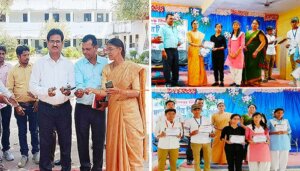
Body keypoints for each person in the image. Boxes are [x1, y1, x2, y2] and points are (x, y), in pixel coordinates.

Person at [87, 38, 147, 170]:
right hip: (114, 111)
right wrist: (92, 90)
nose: (107, 52)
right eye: (106, 49)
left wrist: (120, 91)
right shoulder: (107, 69)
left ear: (120, 49)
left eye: (110, 49)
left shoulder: (131, 68)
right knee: (115, 146)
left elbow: (137, 92)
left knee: (134, 147)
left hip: (130, 112)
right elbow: (105, 92)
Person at [29, 28, 75, 171]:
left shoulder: (68, 64)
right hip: (45, 109)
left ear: (62, 43)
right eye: (52, 41)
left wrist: (68, 91)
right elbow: (32, 86)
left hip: (64, 108)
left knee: (66, 142)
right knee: (45, 143)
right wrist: (45, 92)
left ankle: (66, 168)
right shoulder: (39, 63)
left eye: (58, 41)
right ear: (47, 43)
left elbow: (73, 86)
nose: (55, 44)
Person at [74, 34, 108, 171]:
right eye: (83, 49)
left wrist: (106, 99)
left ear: (96, 48)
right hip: (82, 107)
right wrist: (80, 91)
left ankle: (98, 168)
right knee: (82, 140)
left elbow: (109, 85)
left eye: (88, 49)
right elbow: (79, 84)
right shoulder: (78, 65)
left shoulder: (106, 63)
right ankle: (85, 167)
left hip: (99, 106)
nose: (85, 52)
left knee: (99, 140)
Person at [6, 45, 39, 168]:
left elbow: (40, 84)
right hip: (20, 107)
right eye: (24, 55)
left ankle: (36, 152)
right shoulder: (13, 71)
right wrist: (16, 106)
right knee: (22, 131)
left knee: (35, 130)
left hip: (34, 105)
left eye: (28, 55)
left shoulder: (34, 68)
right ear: (18, 56)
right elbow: (9, 90)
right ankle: (24, 155)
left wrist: (38, 100)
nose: (27, 57)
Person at [185, 104, 213, 171]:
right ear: (192, 111)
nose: (197, 111)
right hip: (195, 142)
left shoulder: (207, 119)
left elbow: (211, 131)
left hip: (207, 141)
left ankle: (207, 169)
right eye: (195, 110)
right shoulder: (188, 121)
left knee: (207, 159)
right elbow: (186, 133)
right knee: (196, 159)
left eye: (198, 109)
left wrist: (212, 134)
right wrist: (191, 133)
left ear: (201, 110)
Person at [159, 13, 182, 87]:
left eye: (173, 19)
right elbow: (160, 40)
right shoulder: (162, 28)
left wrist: (179, 42)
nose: (172, 20)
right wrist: (163, 51)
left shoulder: (175, 28)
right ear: (166, 19)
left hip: (175, 50)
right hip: (167, 50)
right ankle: (168, 82)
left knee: (176, 67)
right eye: (170, 18)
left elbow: (178, 38)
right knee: (167, 68)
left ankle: (175, 82)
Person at [242, 19, 267, 86]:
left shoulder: (259, 32)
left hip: (255, 53)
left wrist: (256, 51)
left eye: (256, 23)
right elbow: (244, 41)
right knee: (248, 66)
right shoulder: (247, 32)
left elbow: (263, 42)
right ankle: (247, 81)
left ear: (258, 25)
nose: (254, 24)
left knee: (254, 67)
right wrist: (244, 46)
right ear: (251, 24)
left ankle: (255, 81)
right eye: (253, 23)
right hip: (247, 53)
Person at [0, 45, 14, 161]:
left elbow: (6, 87)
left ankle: (6, 150)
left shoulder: (9, 67)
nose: (1, 56)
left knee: (6, 127)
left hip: (6, 102)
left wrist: (11, 98)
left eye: (3, 53)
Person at [187, 20, 207, 86]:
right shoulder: (189, 33)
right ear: (192, 25)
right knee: (193, 66)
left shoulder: (201, 33)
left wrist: (205, 46)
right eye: (194, 23)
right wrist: (199, 45)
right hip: (192, 51)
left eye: (197, 23)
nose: (196, 25)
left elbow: (202, 43)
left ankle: (200, 81)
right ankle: (193, 82)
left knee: (200, 65)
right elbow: (190, 42)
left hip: (200, 51)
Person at [225, 20, 245, 87]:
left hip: (238, 55)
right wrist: (230, 53)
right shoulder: (231, 35)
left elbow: (242, 45)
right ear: (232, 26)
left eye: (237, 25)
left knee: (238, 69)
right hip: (231, 55)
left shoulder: (242, 34)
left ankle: (238, 83)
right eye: (234, 25)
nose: (235, 26)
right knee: (232, 69)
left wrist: (236, 54)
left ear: (239, 26)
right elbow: (229, 45)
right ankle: (234, 81)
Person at [286, 17, 300, 85]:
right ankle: (295, 82)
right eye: (292, 22)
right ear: (290, 23)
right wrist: (287, 45)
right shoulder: (288, 32)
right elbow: (289, 42)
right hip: (292, 51)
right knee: (293, 66)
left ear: (298, 22)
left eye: (295, 22)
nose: (294, 23)